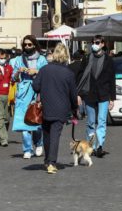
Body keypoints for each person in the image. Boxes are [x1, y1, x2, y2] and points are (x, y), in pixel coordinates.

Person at [33, 44, 78, 174]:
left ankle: (47, 160)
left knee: (46, 134)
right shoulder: (68, 73)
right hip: (61, 108)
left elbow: (36, 87)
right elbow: (73, 94)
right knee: (55, 135)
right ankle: (52, 162)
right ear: (66, 56)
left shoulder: (44, 69)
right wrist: (74, 108)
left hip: (46, 106)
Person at [76, 35, 116, 158]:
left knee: (102, 122)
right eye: (93, 42)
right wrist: (78, 94)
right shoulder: (87, 58)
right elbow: (80, 76)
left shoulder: (109, 60)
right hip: (89, 93)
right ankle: (90, 146)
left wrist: (112, 98)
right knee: (90, 122)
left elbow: (111, 79)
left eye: (97, 42)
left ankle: (99, 146)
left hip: (103, 94)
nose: (94, 44)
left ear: (103, 44)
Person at [12, 35, 48, 159]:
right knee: (24, 123)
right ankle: (27, 149)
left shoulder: (42, 59)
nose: (27, 47)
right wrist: (18, 72)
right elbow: (13, 78)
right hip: (23, 93)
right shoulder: (18, 59)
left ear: (34, 45)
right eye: (25, 45)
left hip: (37, 92)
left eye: (29, 44)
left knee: (36, 119)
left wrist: (36, 71)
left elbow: (46, 74)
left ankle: (39, 143)